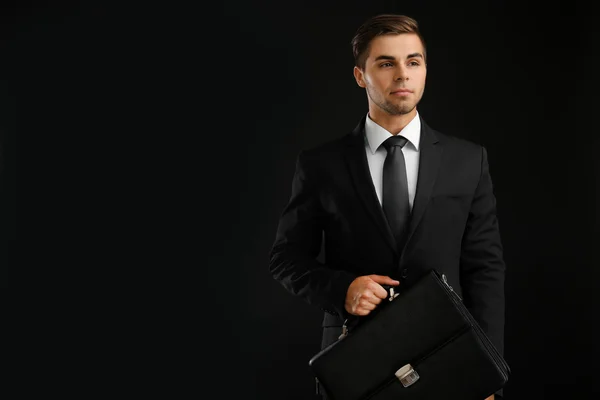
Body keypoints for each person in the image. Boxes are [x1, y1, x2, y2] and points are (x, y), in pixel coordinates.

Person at [269, 14, 506, 400]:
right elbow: (285, 257)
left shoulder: (468, 160)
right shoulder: (321, 165)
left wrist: (489, 371)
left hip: (450, 354)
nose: (403, 74)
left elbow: (485, 269)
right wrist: (342, 289)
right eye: (386, 63)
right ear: (360, 75)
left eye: (413, 61)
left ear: (425, 70)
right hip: (356, 360)